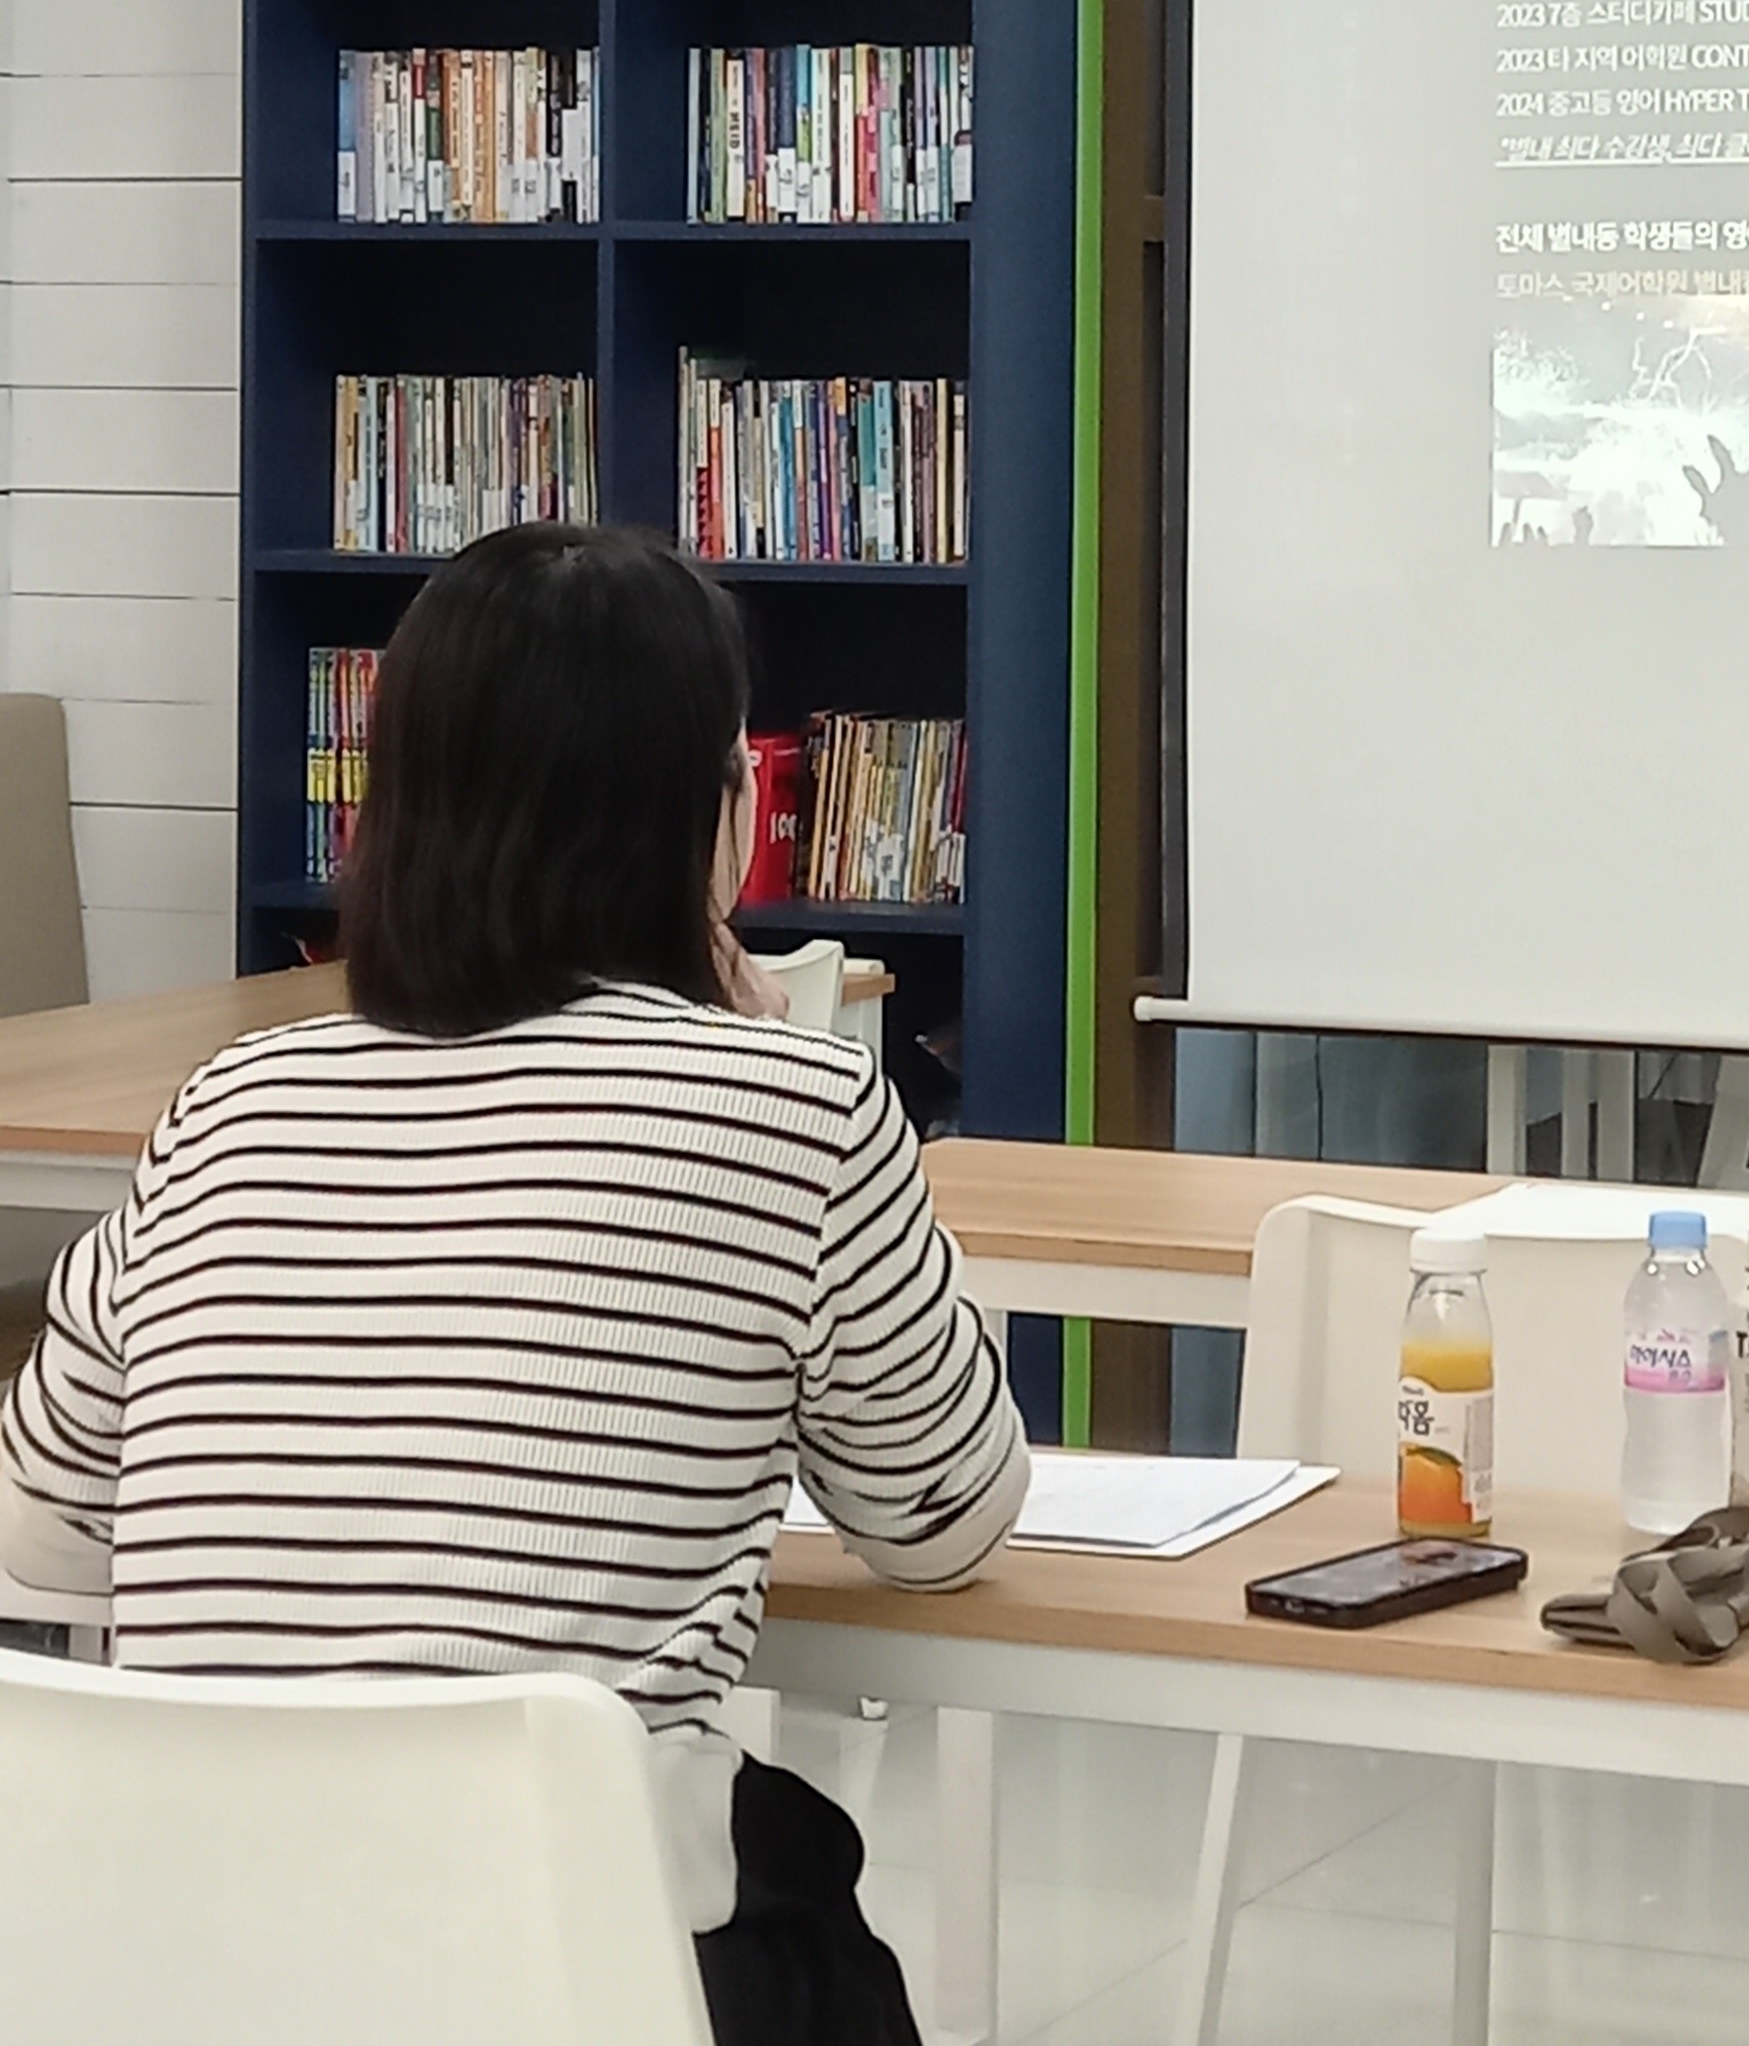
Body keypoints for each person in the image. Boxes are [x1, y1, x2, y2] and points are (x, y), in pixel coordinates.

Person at [0, 524, 1024, 2046]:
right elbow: (945, 1522)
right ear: (719, 815)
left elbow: (44, 1526)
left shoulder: (232, 1103)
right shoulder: (793, 1109)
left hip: (181, 1962)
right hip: (566, 1961)